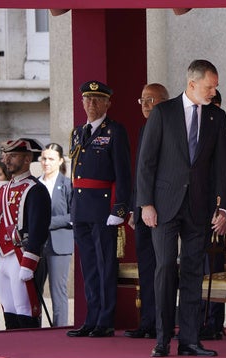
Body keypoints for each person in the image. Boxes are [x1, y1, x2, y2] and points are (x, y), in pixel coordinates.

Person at [137, 60, 226, 357]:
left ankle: (189, 340)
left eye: (215, 86)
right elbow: (146, 161)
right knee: (165, 268)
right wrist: (146, 204)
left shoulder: (217, 117)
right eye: (209, 86)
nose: (213, 92)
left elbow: (222, 167)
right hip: (163, 207)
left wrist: (223, 207)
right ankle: (162, 339)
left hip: (199, 208)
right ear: (192, 84)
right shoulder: (164, 113)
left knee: (192, 272)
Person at [67, 80, 132, 338]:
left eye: (97, 99)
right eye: (87, 99)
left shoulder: (114, 131)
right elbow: (74, 173)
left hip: (104, 209)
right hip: (81, 209)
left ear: (107, 103)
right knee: (89, 266)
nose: (91, 104)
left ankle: (105, 320)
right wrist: (73, 208)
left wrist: (118, 210)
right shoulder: (77, 132)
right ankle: (91, 318)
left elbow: (123, 174)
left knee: (105, 266)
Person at [124, 83, 169, 340]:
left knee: (162, 268)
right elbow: (141, 172)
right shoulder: (144, 129)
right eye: (141, 99)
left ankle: (163, 324)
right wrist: (135, 206)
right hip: (142, 210)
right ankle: (148, 323)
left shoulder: (171, 129)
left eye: (150, 99)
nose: (144, 104)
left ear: (163, 101)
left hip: (163, 211)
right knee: (146, 268)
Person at [0, 139, 51, 329]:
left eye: (13, 156)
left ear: (27, 159)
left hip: (21, 256)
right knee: (8, 311)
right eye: (6, 155)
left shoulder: (36, 190)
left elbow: (38, 229)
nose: (7, 160)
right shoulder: (2, 189)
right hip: (2, 256)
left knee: (25, 311)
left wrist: (29, 262)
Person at [199, 89, 226, 341]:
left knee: (213, 268)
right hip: (194, 212)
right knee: (196, 269)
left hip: (216, 215)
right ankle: (196, 319)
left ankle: (213, 322)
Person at [33, 143, 73, 327]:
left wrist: (47, 223)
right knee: (35, 290)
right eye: (44, 158)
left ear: (60, 161)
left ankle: (59, 329)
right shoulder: (35, 184)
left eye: (50, 159)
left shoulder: (67, 184)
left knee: (58, 290)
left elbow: (74, 215)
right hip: (37, 244)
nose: (46, 162)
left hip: (59, 244)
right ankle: (35, 328)